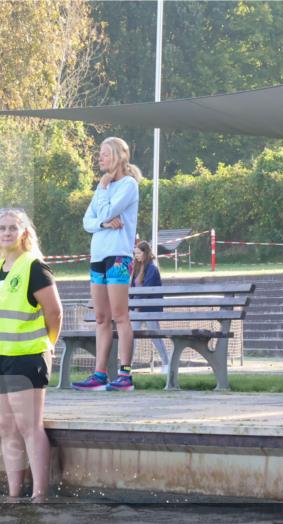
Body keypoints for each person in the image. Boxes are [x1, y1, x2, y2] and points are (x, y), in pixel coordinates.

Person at [0, 208, 62, 501]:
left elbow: (54, 312)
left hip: (27, 356)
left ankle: (40, 495)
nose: (6, 233)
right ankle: (14, 493)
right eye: (1, 228)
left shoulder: (34, 267)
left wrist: (49, 343)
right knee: (7, 427)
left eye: (12, 228)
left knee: (29, 426)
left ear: (24, 233)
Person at [72, 137, 142, 392]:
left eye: (104, 154)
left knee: (120, 316)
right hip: (98, 256)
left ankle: (125, 374)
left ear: (117, 157)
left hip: (119, 257)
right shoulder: (102, 188)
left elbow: (105, 211)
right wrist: (102, 224)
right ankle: (99, 373)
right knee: (101, 317)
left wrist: (103, 196)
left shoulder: (128, 185)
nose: (99, 158)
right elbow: (88, 221)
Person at [130, 240, 171, 373]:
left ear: (145, 253)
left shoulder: (152, 269)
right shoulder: (136, 268)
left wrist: (138, 304)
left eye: (138, 253)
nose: (136, 256)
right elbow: (133, 288)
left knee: (155, 336)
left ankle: (166, 364)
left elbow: (147, 289)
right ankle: (126, 367)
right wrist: (131, 305)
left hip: (149, 309)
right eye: (135, 253)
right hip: (137, 309)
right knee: (130, 337)